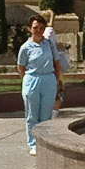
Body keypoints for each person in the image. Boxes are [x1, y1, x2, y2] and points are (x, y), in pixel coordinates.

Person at [17, 13, 65, 156]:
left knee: (46, 113)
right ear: (29, 29)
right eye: (35, 27)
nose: (38, 30)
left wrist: (56, 81)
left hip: (48, 79)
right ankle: (33, 143)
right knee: (32, 114)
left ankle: (45, 141)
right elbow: (21, 67)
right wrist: (27, 79)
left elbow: (57, 63)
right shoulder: (25, 47)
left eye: (41, 28)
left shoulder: (49, 44)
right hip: (32, 79)